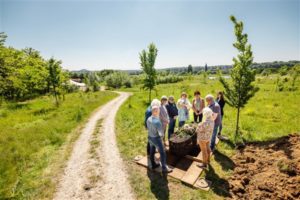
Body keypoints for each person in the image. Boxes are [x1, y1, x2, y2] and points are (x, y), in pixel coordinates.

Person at [147, 105, 173, 173]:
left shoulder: (149, 118)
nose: (158, 112)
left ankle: (153, 165)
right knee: (163, 152)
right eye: (158, 111)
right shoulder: (157, 121)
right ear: (155, 112)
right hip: (156, 138)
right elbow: (161, 134)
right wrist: (161, 141)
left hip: (150, 137)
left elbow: (148, 128)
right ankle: (164, 168)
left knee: (152, 152)